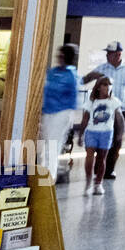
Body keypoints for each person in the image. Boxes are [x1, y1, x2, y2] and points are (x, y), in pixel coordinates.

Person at [82, 41, 125, 180]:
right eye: (107, 54)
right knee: (102, 139)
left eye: (110, 54)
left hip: (121, 109)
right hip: (103, 110)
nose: (107, 56)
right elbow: (86, 79)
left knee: (117, 142)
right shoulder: (102, 68)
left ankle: (110, 170)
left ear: (118, 54)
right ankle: (99, 166)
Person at [39, 44, 80, 181]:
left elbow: (72, 98)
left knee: (53, 146)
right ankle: (45, 173)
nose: (59, 58)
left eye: (62, 56)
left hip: (62, 112)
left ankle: (49, 177)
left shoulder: (71, 74)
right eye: (59, 55)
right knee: (46, 145)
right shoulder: (53, 71)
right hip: (48, 111)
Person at [78, 76, 118, 195]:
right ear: (99, 87)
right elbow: (85, 119)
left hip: (106, 133)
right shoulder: (91, 101)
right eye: (105, 84)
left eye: (109, 84)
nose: (107, 87)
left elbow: (117, 118)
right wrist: (80, 135)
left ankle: (98, 183)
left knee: (101, 158)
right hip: (91, 132)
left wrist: (120, 134)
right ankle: (88, 181)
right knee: (89, 157)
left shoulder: (113, 101)